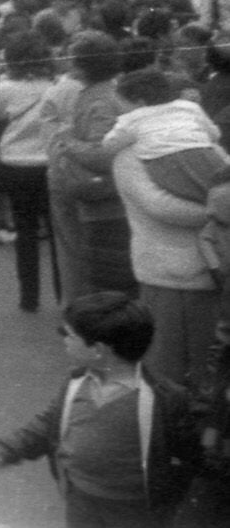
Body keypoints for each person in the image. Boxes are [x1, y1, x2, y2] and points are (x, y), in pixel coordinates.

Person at [0, 291, 200, 527]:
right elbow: (47, 424)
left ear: (98, 350)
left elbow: (189, 454)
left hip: (136, 508)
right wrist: (5, 451)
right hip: (80, 498)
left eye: (69, 335)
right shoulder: (76, 384)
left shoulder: (163, 399)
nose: (63, 339)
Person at [103, 67, 230, 398]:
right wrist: (216, 215)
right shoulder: (130, 155)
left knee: (206, 363)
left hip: (211, 271)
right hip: (168, 274)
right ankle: (170, 433)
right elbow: (156, 205)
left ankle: (200, 434)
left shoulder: (200, 144)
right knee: (167, 365)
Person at [46, 31, 136, 301]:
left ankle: (78, 315)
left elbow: (101, 154)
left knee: (80, 259)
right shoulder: (110, 92)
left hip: (92, 194)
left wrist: (67, 141)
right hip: (101, 192)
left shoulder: (99, 100)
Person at [0, 34, 62, 312]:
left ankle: (28, 297)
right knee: (56, 231)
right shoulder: (56, 86)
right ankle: (61, 293)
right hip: (49, 163)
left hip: (16, 165)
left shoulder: (6, 88)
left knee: (25, 230)